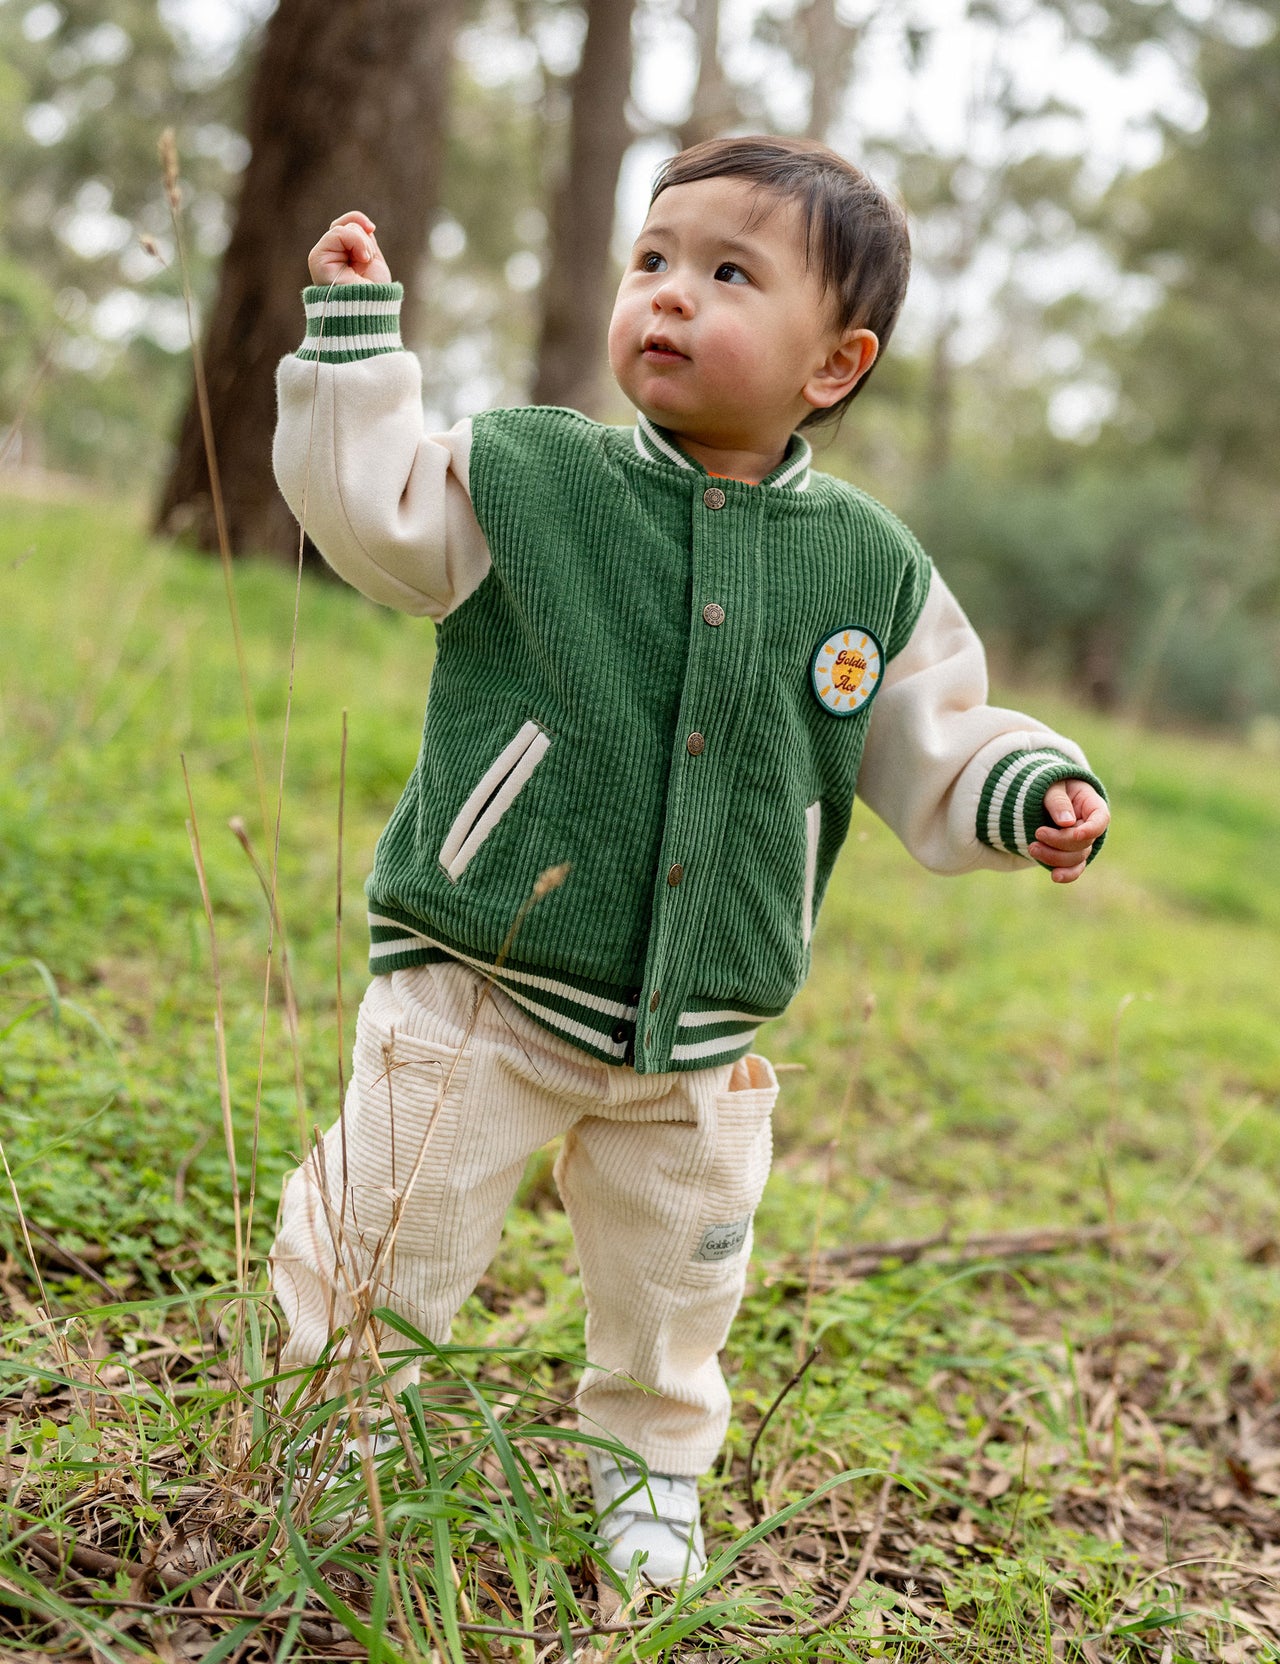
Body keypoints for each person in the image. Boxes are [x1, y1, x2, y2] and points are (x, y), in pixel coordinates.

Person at [269, 135, 1109, 1586]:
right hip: (482, 986)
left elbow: (933, 735)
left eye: (727, 273)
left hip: (704, 1031)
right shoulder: (531, 474)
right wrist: (355, 352)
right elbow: (375, 516)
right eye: (651, 258)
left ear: (831, 366)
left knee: (677, 1291)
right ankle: (328, 1440)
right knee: (384, 1233)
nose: (666, 293)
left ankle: (647, 1470)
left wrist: (1026, 788)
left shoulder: (872, 568)